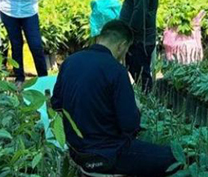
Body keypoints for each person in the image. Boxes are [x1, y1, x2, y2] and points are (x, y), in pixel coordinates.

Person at [51, 20, 175, 177]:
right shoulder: (116, 71)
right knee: (176, 158)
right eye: (127, 50)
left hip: (76, 152)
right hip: (107, 154)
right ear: (122, 45)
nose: (124, 55)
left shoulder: (70, 62)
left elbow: (56, 104)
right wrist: (136, 108)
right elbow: (130, 125)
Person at [114, 0, 158, 91]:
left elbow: (140, 13)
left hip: (139, 41)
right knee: (138, 75)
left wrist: (128, 38)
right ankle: (145, 103)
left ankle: (147, 106)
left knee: (141, 77)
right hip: (137, 40)